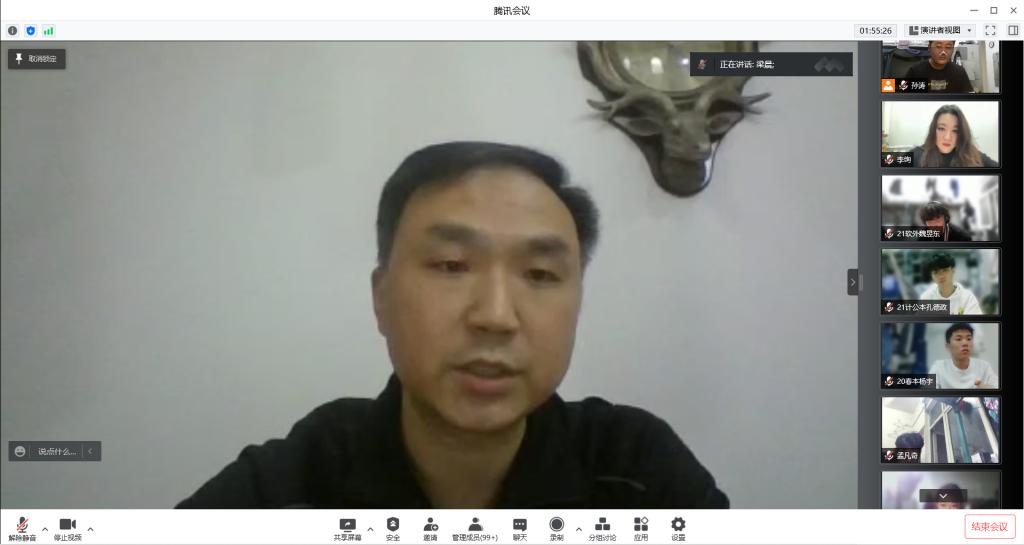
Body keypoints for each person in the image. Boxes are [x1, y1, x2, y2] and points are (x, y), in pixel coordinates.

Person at [176, 141, 728, 509]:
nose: (495, 316)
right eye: (451, 266)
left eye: (540, 274)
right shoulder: (291, 487)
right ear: (381, 298)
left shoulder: (636, 473)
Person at [911, 105, 999, 168]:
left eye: (955, 131)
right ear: (933, 130)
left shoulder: (972, 155)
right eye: (941, 128)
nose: (947, 137)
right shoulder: (916, 154)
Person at [929, 323, 998, 389]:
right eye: (958, 339)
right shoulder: (938, 367)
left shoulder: (984, 367)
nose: (965, 343)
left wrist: (985, 388)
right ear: (947, 346)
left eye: (969, 339)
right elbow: (928, 392)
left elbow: (997, 386)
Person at [918, 252, 983, 315]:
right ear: (931, 275)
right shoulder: (926, 298)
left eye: (945, 270)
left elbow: (975, 321)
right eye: (936, 272)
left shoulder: (968, 298)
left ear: (953, 270)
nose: (941, 276)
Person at [904, 41, 974, 93]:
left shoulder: (959, 72)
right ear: (929, 48)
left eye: (948, 47)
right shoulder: (915, 71)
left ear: (953, 49)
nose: (943, 52)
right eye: (938, 46)